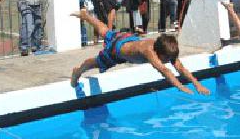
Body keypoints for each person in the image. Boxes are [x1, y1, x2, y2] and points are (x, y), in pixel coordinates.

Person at [70, 9, 210, 96]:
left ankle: (86, 16)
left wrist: (197, 84)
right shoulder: (149, 51)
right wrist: (180, 87)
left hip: (129, 39)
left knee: (107, 32)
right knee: (95, 62)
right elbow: (165, 71)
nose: (170, 62)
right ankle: (78, 71)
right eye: (167, 59)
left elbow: (180, 68)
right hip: (116, 51)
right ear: (159, 54)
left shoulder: (166, 48)